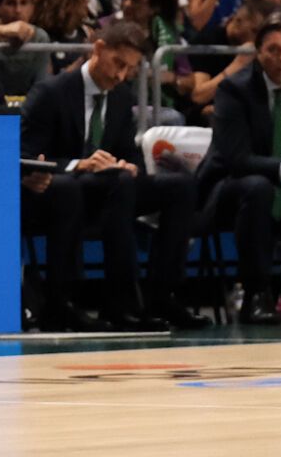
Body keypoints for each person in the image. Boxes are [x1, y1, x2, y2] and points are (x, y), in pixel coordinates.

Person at [19, 22, 175, 330]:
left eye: (128, 70)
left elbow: (127, 154)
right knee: (95, 187)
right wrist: (79, 164)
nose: (120, 76)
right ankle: (86, 301)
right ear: (99, 49)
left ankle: (161, 296)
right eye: (118, 64)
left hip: (108, 189)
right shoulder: (51, 92)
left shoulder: (119, 96)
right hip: (55, 190)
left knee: (178, 186)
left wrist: (130, 165)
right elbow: (25, 156)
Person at [197, 11, 281, 324]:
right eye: (274, 50)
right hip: (230, 190)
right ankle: (256, 293)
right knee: (258, 187)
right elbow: (236, 158)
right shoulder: (234, 91)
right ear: (258, 52)